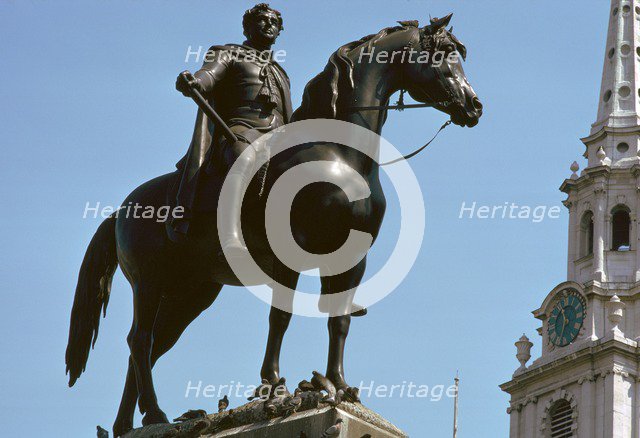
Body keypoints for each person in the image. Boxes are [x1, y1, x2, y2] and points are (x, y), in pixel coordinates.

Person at [174, 3, 292, 258]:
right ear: (248, 27)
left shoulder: (280, 72)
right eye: (261, 20)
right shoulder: (228, 53)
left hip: (280, 137)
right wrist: (196, 81)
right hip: (242, 130)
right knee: (244, 157)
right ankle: (229, 236)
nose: (269, 25)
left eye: (274, 22)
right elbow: (209, 75)